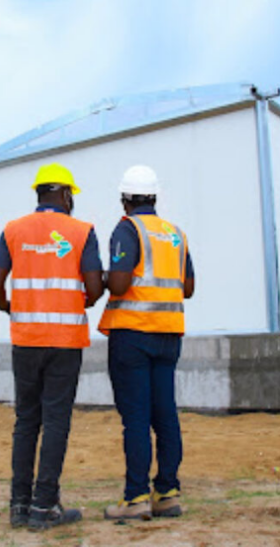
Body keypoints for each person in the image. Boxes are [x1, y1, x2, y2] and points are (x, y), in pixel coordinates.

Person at [0, 162, 104, 531]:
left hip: (26, 340)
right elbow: (95, 287)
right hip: (65, 343)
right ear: (66, 193)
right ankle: (44, 507)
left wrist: (8, 307)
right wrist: (81, 301)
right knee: (56, 421)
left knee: (26, 420)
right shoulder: (82, 231)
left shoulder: (13, 230)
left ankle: (19, 506)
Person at [99, 164, 195, 521]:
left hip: (133, 334)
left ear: (124, 200)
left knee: (136, 418)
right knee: (165, 414)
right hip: (168, 335)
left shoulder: (128, 229)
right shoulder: (175, 233)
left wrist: (101, 277)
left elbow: (120, 283)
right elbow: (188, 287)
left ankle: (136, 497)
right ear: (154, 197)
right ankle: (167, 493)